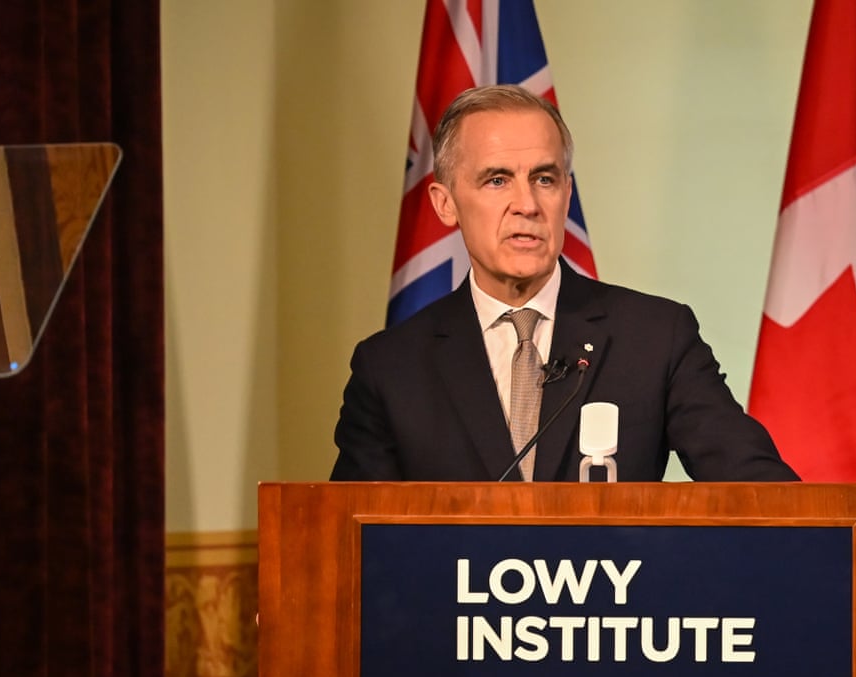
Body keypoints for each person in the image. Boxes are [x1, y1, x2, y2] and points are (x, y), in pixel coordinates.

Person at [331, 84, 798, 483]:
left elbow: (763, 493)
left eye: (544, 178)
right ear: (445, 203)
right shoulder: (390, 369)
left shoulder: (656, 338)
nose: (527, 204)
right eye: (497, 180)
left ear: (566, 194)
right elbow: (348, 545)